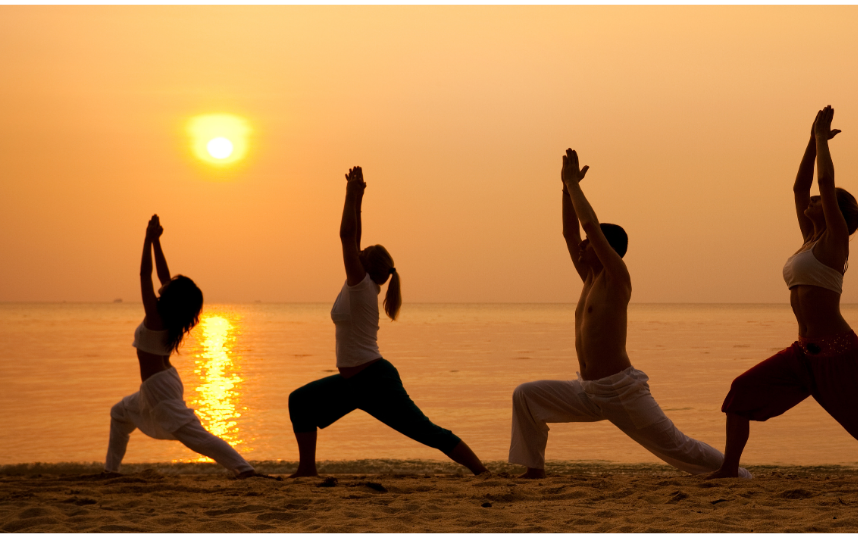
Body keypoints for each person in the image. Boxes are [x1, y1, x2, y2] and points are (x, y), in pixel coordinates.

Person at [707, 107, 858, 480]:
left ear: (836, 211)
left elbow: (826, 184)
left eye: (819, 201)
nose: (811, 201)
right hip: (803, 354)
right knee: (742, 392)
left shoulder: (835, 240)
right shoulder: (808, 239)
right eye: (813, 201)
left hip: (840, 354)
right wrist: (809, 142)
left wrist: (822, 141)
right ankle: (729, 469)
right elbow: (800, 188)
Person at [508, 149, 749, 479]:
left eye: (589, 244)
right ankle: (534, 470)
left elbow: (589, 225)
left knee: (678, 447)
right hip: (588, 390)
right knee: (526, 395)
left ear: (606, 249)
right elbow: (570, 232)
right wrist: (565, 189)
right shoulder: (590, 279)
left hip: (621, 390)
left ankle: (736, 473)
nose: (581, 246)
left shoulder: (616, 278)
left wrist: (574, 185)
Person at [287, 166, 487, 478]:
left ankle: (482, 472)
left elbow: (346, 236)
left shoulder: (360, 287)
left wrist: (349, 194)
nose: (358, 250)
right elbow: (355, 237)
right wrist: (359, 199)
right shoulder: (361, 285)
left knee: (425, 431)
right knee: (301, 402)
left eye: (361, 253)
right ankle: (306, 470)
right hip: (354, 383)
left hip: (374, 381)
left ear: (365, 265)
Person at [105, 215, 254, 477]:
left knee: (195, 435)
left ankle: (245, 470)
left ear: (173, 296)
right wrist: (156, 242)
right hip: (160, 382)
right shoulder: (169, 318)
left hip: (159, 387)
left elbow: (145, 274)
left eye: (172, 284)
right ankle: (111, 472)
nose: (168, 281)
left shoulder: (156, 316)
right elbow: (162, 275)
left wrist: (146, 238)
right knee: (119, 414)